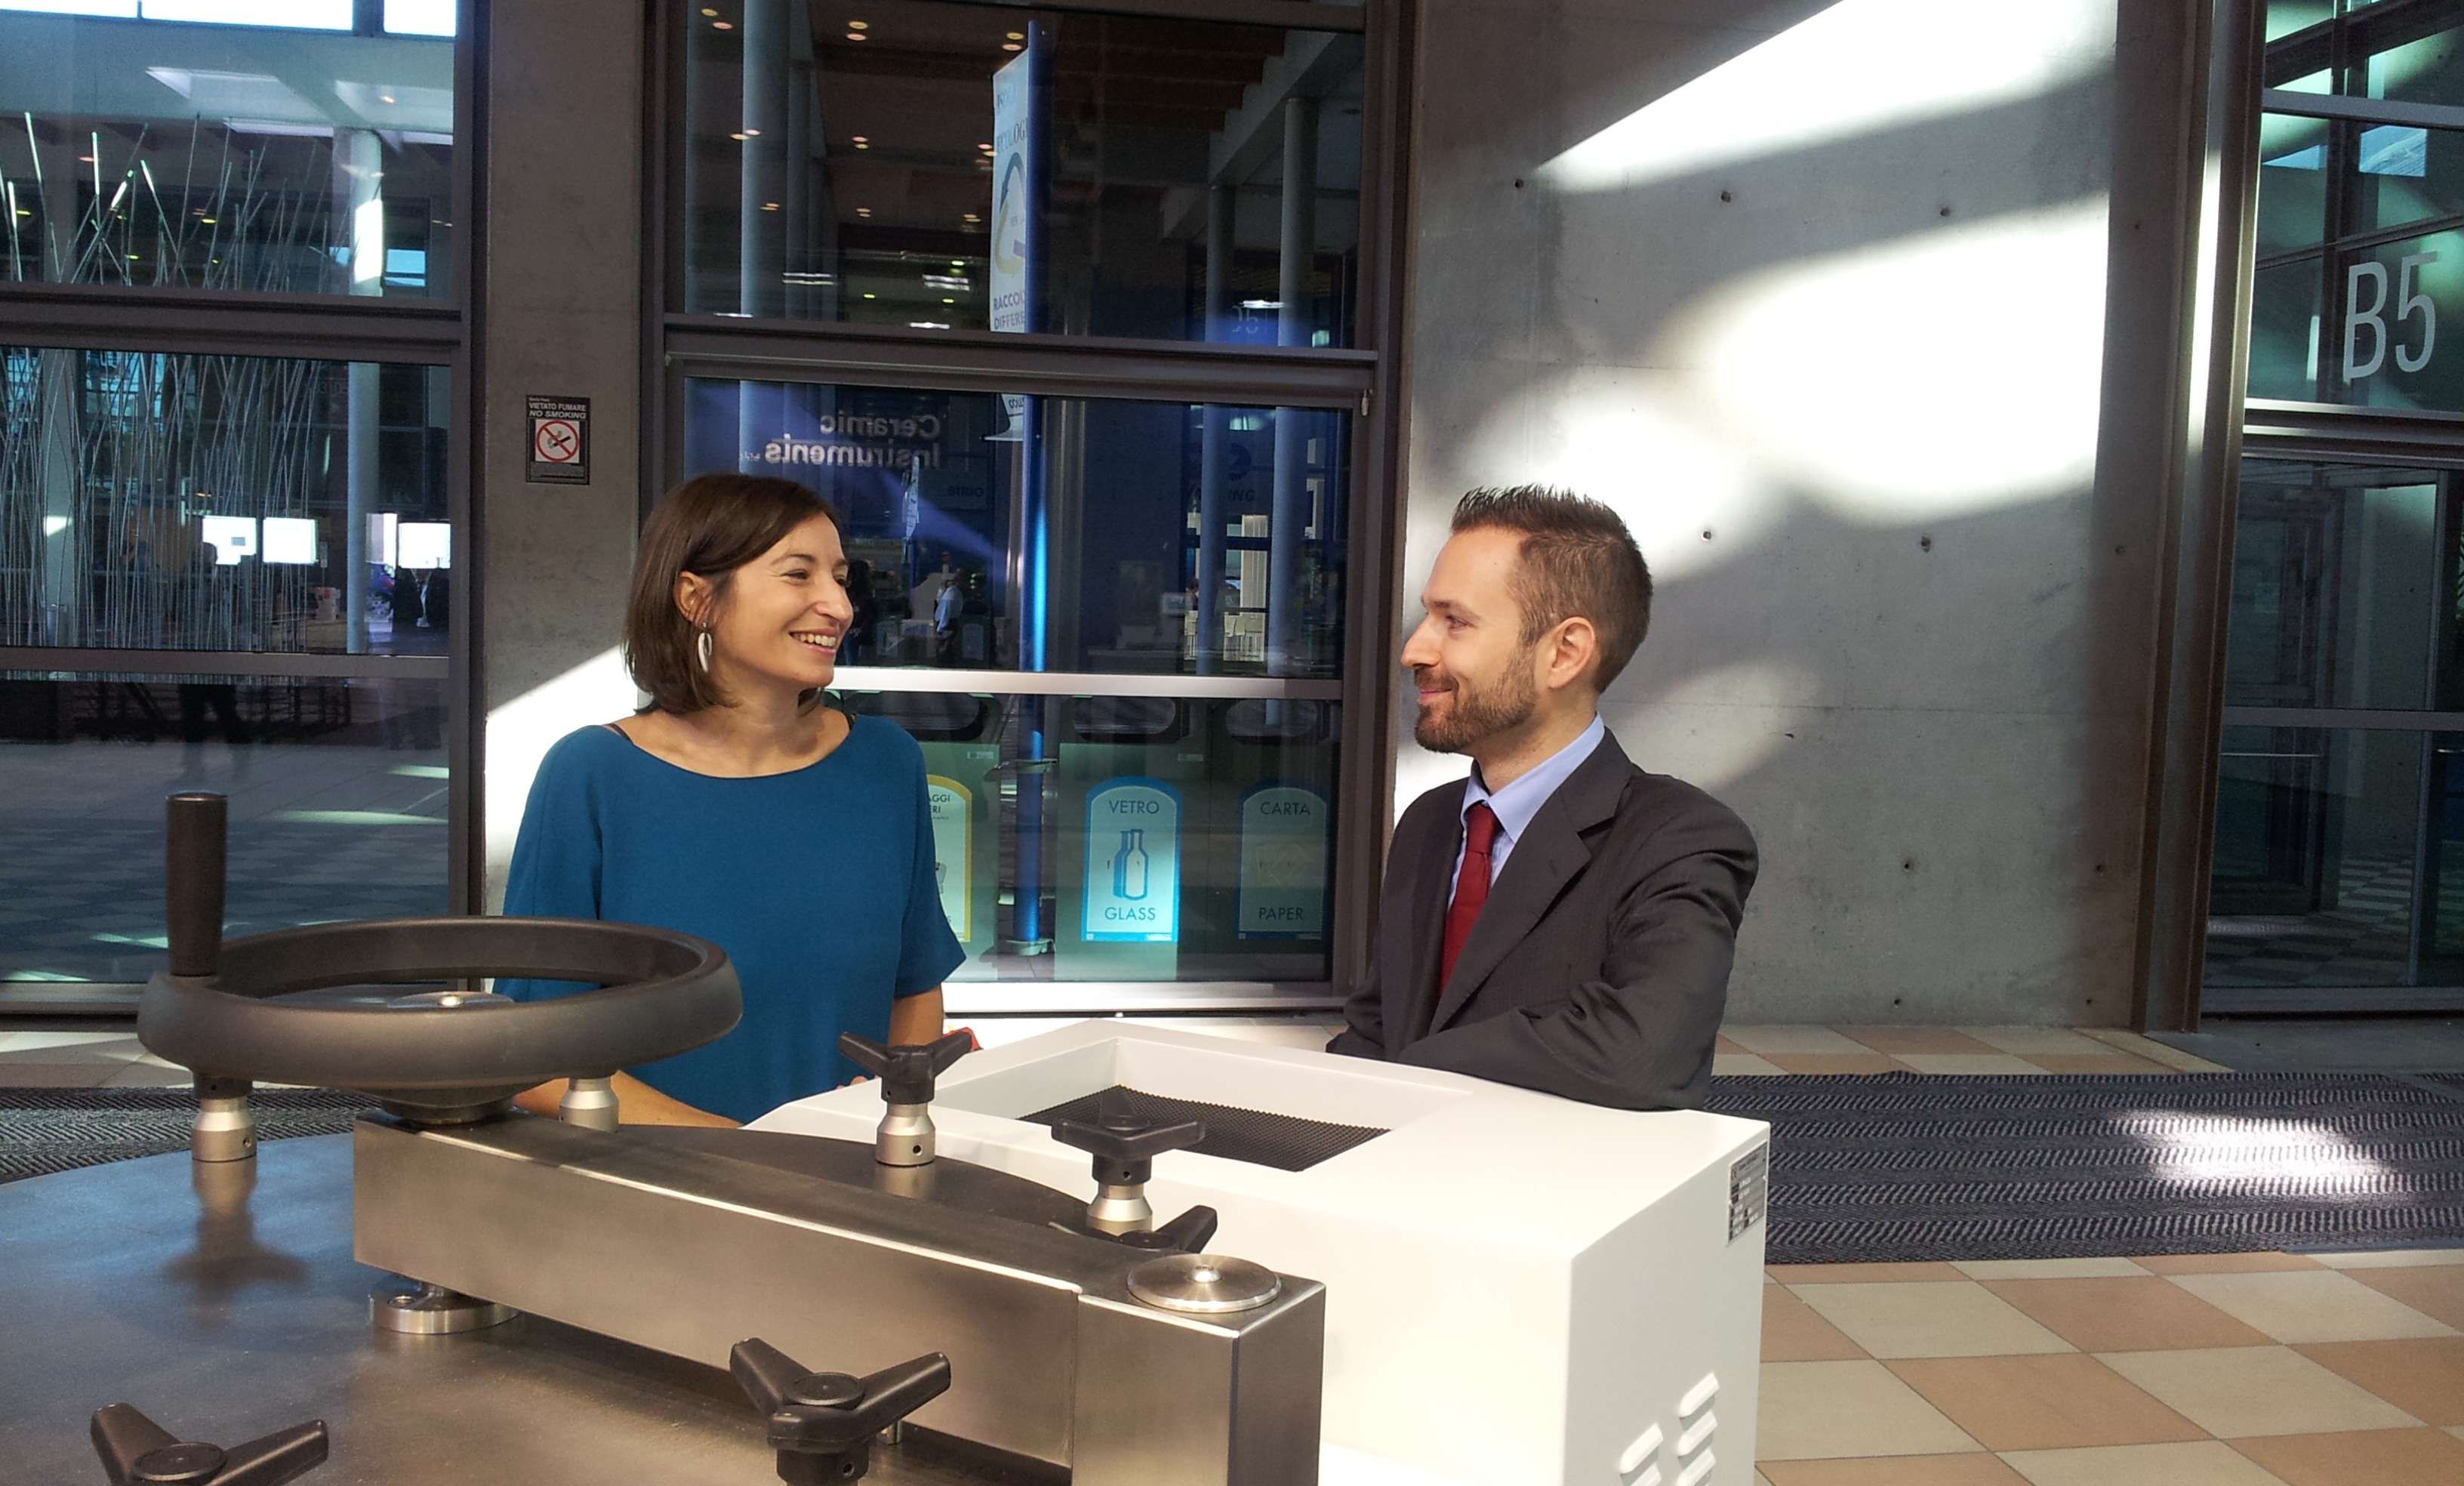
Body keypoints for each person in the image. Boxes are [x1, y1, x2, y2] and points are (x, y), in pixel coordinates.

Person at [499, 473, 962, 1127]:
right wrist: (751, 1156)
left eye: (840, 578)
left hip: (851, 1172)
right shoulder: (591, 776)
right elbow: (538, 1058)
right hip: (655, 1179)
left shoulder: (887, 763)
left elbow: (914, 989)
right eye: (798, 575)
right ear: (697, 599)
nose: (839, 606)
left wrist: (890, 1112)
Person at [1327, 487, 1757, 1109]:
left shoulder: (1679, 839)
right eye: (1427, 617)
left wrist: (1415, 1068)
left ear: (1565, 653)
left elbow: (1644, 1050)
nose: (1414, 651)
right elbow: (1376, 1027)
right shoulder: (1429, 823)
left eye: (1455, 621)